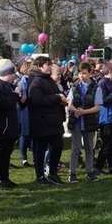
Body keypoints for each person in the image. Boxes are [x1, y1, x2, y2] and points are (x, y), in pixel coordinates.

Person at [28, 56, 67, 185]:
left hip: (53, 121)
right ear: (40, 67)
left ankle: (52, 173)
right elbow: (36, 100)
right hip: (41, 122)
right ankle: (40, 176)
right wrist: (57, 98)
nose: (50, 67)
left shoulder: (49, 80)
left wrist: (62, 99)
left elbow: (58, 94)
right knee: (40, 150)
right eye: (47, 65)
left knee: (58, 145)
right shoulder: (36, 81)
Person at [66, 62, 102, 183]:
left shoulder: (96, 88)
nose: (81, 76)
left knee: (89, 148)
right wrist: (76, 110)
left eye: (84, 73)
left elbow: (97, 107)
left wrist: (83, 112)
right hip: (76, 122)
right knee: (75, 148)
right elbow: (69, 104)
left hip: (89, 121)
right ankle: (72, 173)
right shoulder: (74, 86)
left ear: (90, 73)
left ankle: (90, 172)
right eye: (80, 73)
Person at [0, 58, 21, 188]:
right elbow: (4, 103)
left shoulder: (7, 85)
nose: (14, 76)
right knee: (2, 154)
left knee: (6, 154)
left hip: (9, 125)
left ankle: (5, 178)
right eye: (12, 73)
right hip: (3, 126)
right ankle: (2, 179)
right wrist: (16, 95)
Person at [17, 60, 33, 167]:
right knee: (24, 133)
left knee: (29, 133)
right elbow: (22, 98)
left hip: (29, 109)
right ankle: (24, 158)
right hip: (24, 110)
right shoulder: (23, 81)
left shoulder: (29, 79)